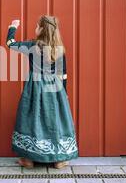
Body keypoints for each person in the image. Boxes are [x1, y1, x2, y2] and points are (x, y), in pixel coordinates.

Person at [6, 16, 79, 170]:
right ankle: (59, 160)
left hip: (35, 88)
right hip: (55, 90)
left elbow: (10, 44)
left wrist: (12, 27)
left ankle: (29, 160)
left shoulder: (33, 45)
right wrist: (63, 94)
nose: (35, 28)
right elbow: (63, 74)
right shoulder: (59, 49)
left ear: (41, 30)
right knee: (54, 119)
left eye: (37, 26)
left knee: (31, 118)